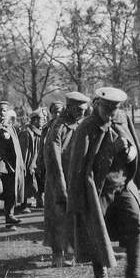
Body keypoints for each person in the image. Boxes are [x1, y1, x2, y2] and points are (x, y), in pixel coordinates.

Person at [67, 87, 140, 278]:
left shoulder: (122, 118)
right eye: (107, 107)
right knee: (98, 229)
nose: (112, 112)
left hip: (123, 183)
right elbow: (79, 165)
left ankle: (134, 275)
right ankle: (101, 277)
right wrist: (77, 197)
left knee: (135, 223)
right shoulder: (86, 127)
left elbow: (133, 145)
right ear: (97, 104)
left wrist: (130, 153)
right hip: (97, 188)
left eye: (115, 108)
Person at [42, 92, 90, 267]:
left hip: (77, 178)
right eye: (78, 109)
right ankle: (57, 253)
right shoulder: (58, 127)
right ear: (69, 107)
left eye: (84, 110)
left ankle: (71, 252)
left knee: (75, 216)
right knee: (57, 215)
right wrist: (60, 185)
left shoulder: (82, 124)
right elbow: (53, 159)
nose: (82, 113)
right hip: (59, 179)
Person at [35, 101, 65, 207]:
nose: (57, 115)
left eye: (59, 112)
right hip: (48, 161)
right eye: (54, 112)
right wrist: (39, 160)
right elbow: (42, 146)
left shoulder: (65, 126)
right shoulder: (46, 127)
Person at [18, 109, 45, 213]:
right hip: (28, 162)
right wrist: (26, 165)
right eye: (42, 119)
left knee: (37, 183)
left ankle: (39, 201)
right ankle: (23, 205)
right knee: (26, 182)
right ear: (35, 120)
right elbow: (23, 151)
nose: (43, 121)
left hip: (38, 161)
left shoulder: (39, 132)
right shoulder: (26, 133)